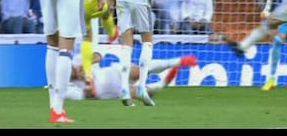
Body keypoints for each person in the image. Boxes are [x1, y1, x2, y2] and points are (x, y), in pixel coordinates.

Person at [66, 52, 198, 102]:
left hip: (115, 73)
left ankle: (177, 61)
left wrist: (86, 64)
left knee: (141, 70)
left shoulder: (78, 60)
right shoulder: (68, 88)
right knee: (146, 93)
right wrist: (87, 80)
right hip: (114, 92)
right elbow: (91, 94)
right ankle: (161, 84)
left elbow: (98, 56)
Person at [80, 0, 119, 86]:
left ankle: (87, 74)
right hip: (93, 1)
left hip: (78, 1)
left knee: (87, 37)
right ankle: (112, 32)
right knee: (107, 10)